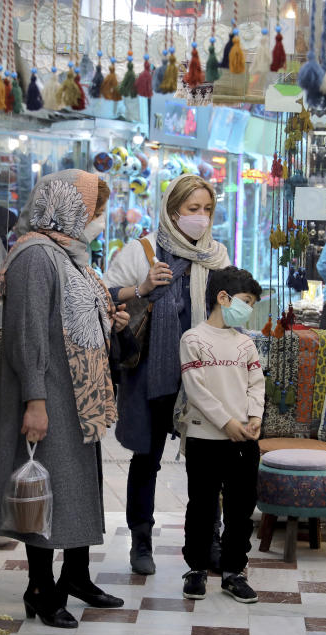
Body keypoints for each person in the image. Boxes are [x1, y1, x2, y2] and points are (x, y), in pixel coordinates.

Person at [0, 170, 130, 630]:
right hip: (48, 393)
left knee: (74, 485)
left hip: (74, 395)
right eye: (94, 210)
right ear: (68, 208)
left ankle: (77, 576)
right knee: (42, 489)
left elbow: (76, 314)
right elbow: (27, 335)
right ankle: (41, 589)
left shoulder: (68, 253)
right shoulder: (35, 257)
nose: (97, 219)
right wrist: (36, 401)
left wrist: (110, 320)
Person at [103, 174, 230, 575]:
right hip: (152, 375)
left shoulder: (217, 256)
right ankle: (140, 540)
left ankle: (208, 538)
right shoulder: (142, 251)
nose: (201, 218)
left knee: (207, 464)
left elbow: (236, 310)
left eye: (207, 210)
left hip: (204, 377)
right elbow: (105, 295)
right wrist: (141, 288)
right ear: (173, 210)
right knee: (147, 458)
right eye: (193, 209)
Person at [177, 266, 264, 603]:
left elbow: (257, 384)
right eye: (245, 301)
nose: (248, 309)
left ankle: (233, 573)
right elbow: (196, 391)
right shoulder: (193, 339)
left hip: (244, 441)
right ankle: (196, 570)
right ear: (222, 298)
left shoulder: (246, 343)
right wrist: (227, 422)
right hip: (205, 439)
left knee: (241, 509)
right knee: (201, 506)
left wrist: (254, 417)